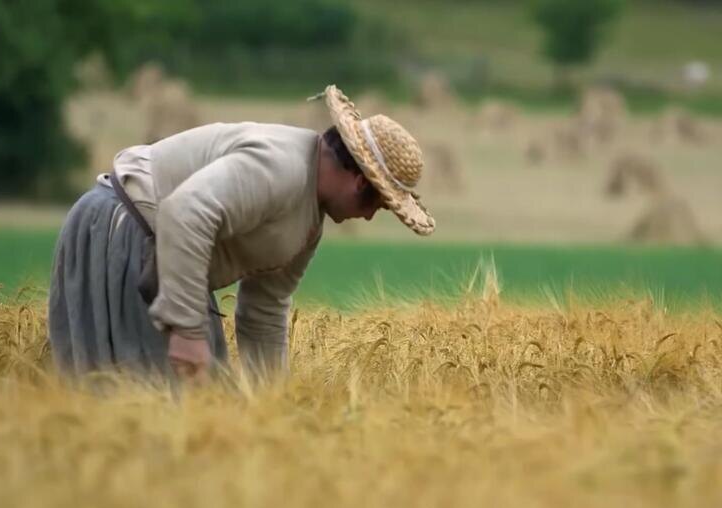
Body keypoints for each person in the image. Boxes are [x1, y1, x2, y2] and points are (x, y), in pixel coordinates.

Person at [48, 85, 435, 382]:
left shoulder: (310, 218)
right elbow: (184, 213)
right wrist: (185, 328)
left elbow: (264, 310)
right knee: (140, 404)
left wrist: (268, 405)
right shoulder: (281, 168)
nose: (368, 218)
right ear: (358, 181)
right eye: (378, 204)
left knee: (202, 413)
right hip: (124, 231)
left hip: (167, 257)